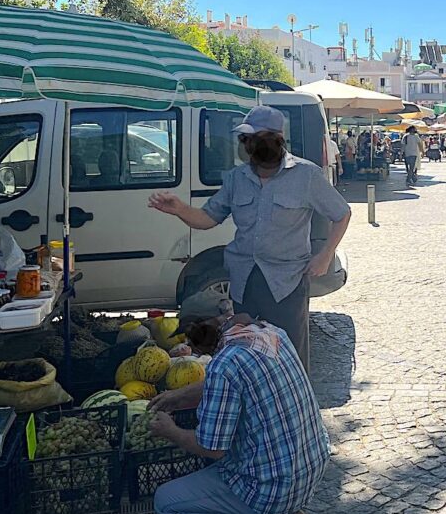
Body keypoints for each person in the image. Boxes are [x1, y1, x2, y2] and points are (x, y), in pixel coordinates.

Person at [148, 106, 351, 369]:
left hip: (286, 283)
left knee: (289, 359)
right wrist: (179, 209)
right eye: (246, 140)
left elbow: (342, 213)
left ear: (276, 139)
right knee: (248, 354)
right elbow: (208, 218)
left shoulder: (306, 175)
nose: (248, 145)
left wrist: (325, 255)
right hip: (244, 281)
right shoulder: (237, 178)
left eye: (255, 138)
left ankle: (290, 408)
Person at [151, 310, 329, 514]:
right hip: (310, 463)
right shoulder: (271, 333)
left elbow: (211, 448)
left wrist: (171, 431)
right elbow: (236, 379)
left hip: (273, 483)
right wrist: (179, 396)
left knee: (166, 503)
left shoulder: (224, 364)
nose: (190, 347)